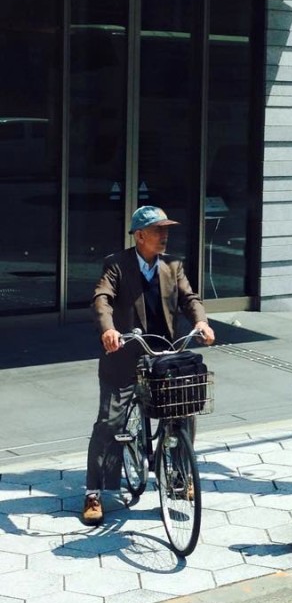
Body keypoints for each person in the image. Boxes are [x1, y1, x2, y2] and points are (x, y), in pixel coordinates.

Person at [82, 205, 215, 526]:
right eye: (158, 230)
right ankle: (94, 490)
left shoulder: (173, 265)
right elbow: (103, 297)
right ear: (140, 235)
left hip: (164, 355)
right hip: (126, 351)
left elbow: (189, 299)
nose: (165, 235)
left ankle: (180, 476)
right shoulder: (117, 264)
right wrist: (109, 330)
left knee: (184, 411)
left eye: (166, 230)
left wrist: (202, 323)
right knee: (111, 422)